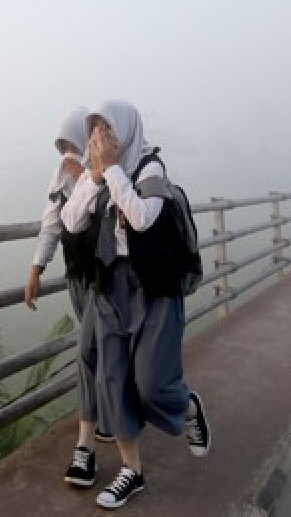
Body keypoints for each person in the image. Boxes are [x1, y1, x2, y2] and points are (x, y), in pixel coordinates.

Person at [61, 100, 210, 510]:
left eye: (107, 130)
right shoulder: (99, 173)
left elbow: (143, 217)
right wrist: (94, 176)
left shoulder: (148, 168)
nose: (100, 140)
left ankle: (189, 407)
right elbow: (72, 222)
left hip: (152, 287)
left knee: (151, 383)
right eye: (95, 131)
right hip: (109, 285)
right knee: (112, 379)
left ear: (126, 130)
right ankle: (132, 470)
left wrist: (110, 169)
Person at [23, 106, 114, 486]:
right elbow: (51, 224)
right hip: (78, 276)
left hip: (108, 279)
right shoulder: (61, 173)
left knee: (88, 354)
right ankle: (109, 420)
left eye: (71, 143)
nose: (65, 152)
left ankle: (85, 448)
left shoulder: (106, 169)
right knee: (98, 350)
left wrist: (90, 177)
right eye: (60, 146)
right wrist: (36, 269)